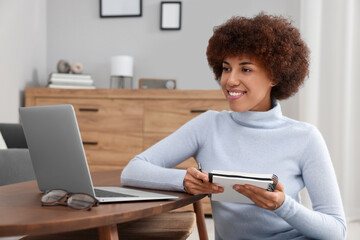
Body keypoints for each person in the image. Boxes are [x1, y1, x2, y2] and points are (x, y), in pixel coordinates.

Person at [121, 13, 346, 239]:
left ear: (274, 77)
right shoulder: (208, 125)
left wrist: (283, 205)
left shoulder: (305, 137)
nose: (230, 80)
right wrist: (183, 181)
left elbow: (337, 230)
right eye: (226, 68)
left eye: (245, 69)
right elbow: (133, 170)